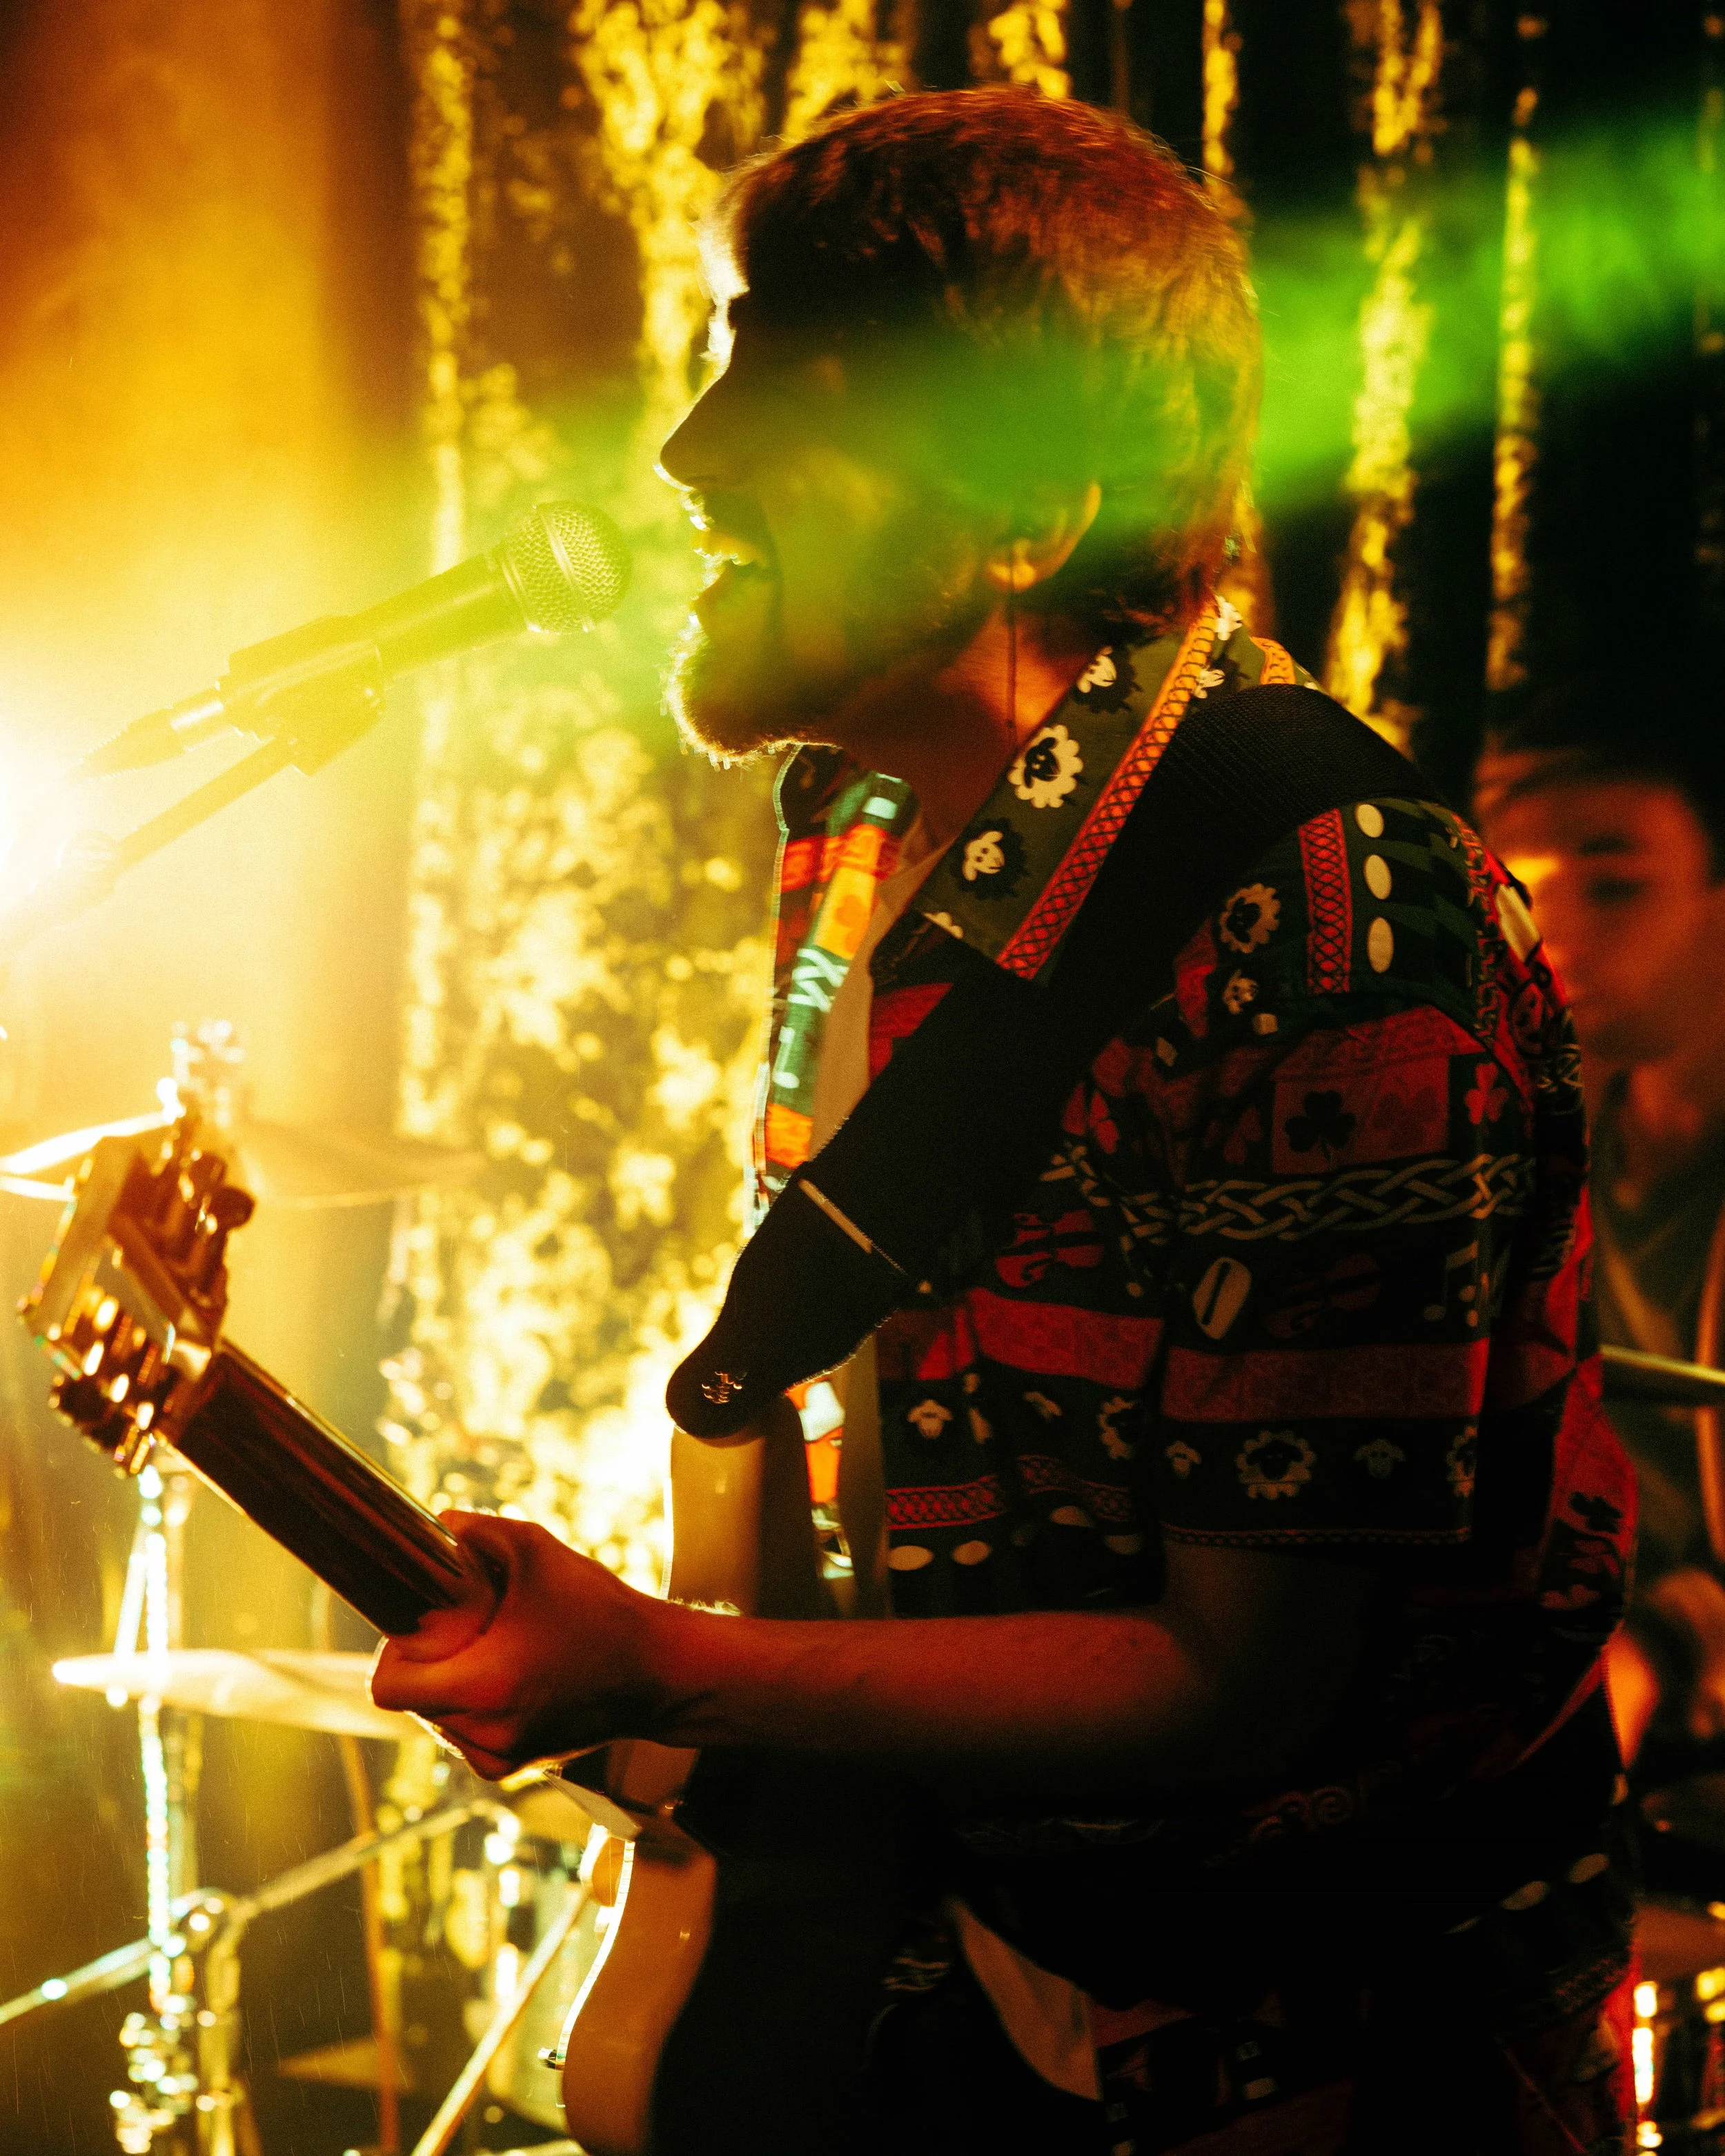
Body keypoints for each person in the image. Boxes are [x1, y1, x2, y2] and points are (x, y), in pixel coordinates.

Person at [374, 91, 1636, 2154]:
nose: (686, 453)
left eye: (788, 375)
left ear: (1031, 507)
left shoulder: (1327, 918)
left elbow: (1236, 1681)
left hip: (1311, 2060)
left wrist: (671, 1669)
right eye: (717, 353)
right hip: (972, 1979)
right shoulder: (856, 834)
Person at [1475, 673, 1725, 1772]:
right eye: (1522, 895)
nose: (1553, 937)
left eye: (1614, 888)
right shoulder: (1543, 1148)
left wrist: (1657, 1649)